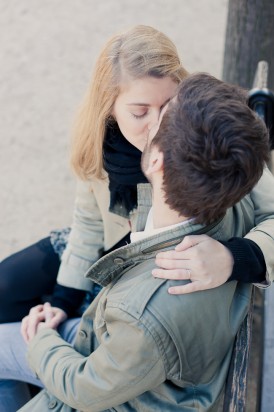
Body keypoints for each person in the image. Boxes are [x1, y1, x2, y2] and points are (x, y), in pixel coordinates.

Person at [17, 72, 270, 411]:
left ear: (156, 160)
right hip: (123, 352)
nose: (149, 126)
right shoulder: (229, 186)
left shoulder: (144, 314)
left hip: (105, 377)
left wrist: (40, 340)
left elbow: (86, 388)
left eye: (162, 117)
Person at [0, 26, 272, 327]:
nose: (156, 126)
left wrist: (235, 258)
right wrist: (62, 300)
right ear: (109, 109)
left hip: (150, 277)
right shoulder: (99, 142)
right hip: (107, 248)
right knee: (6, 286)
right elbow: (90, 223)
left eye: (167, 107)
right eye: (140, 113)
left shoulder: (206, 135)